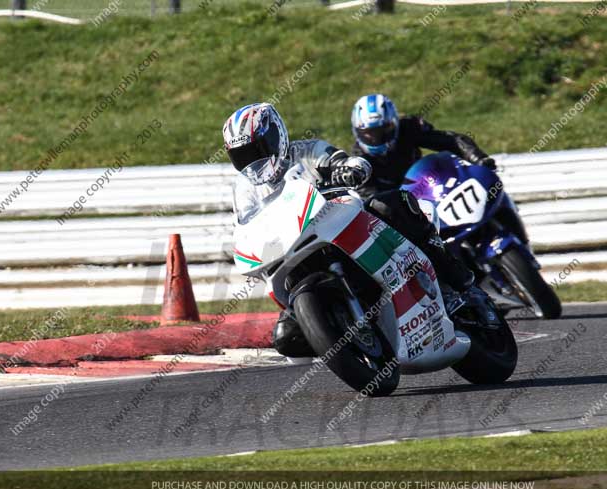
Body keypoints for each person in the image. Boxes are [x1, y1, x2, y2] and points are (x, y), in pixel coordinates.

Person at [222, 102, 476, 356]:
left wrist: (349, 169)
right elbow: (245, 225)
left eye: (257, 150)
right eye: (243, 156)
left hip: (336, 224)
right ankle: (344, 337)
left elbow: (345, 160)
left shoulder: (307, 151)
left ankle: (452, 276)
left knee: (392, 204)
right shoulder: (246, 191)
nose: (253, 160)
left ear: (275, 137)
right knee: (286, 338)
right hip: (293, 250)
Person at [351, 93, 529, 245]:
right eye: (369, 133)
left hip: (430, 191)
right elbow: (371, 199)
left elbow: (450, 140)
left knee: (488, 190)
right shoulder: (358, 163)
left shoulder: (409, 128)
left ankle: (518, 237)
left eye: (382, 130)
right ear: (357, 132)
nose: (376, 138)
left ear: (394, 124)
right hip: (404, 213)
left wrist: (478, 158)